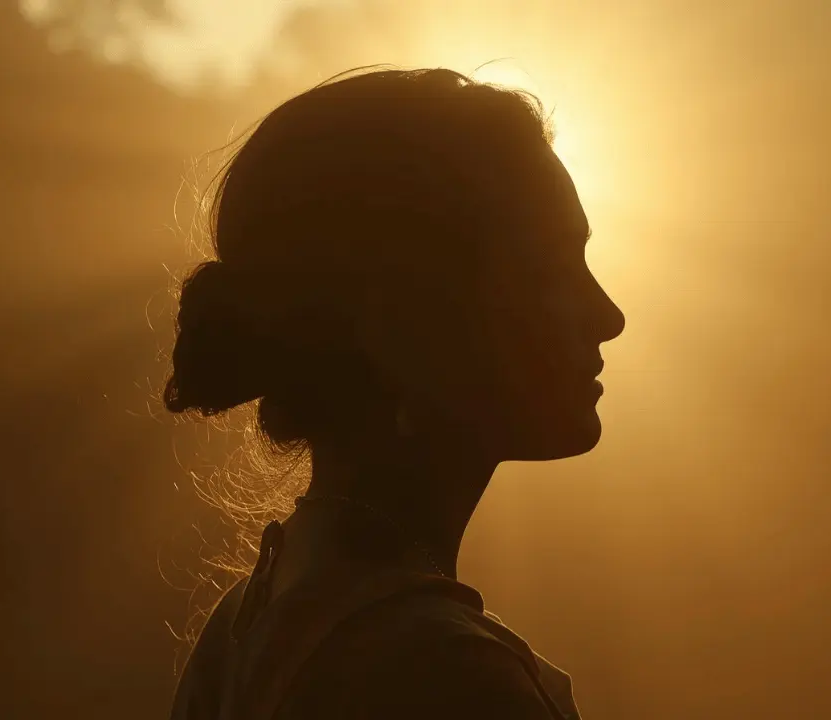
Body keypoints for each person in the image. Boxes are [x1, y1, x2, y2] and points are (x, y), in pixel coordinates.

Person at [164, 66, 625, 720]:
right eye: (554, 268)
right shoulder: (452, 680)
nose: (607, 315)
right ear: (412, 329)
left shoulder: (255, 616)